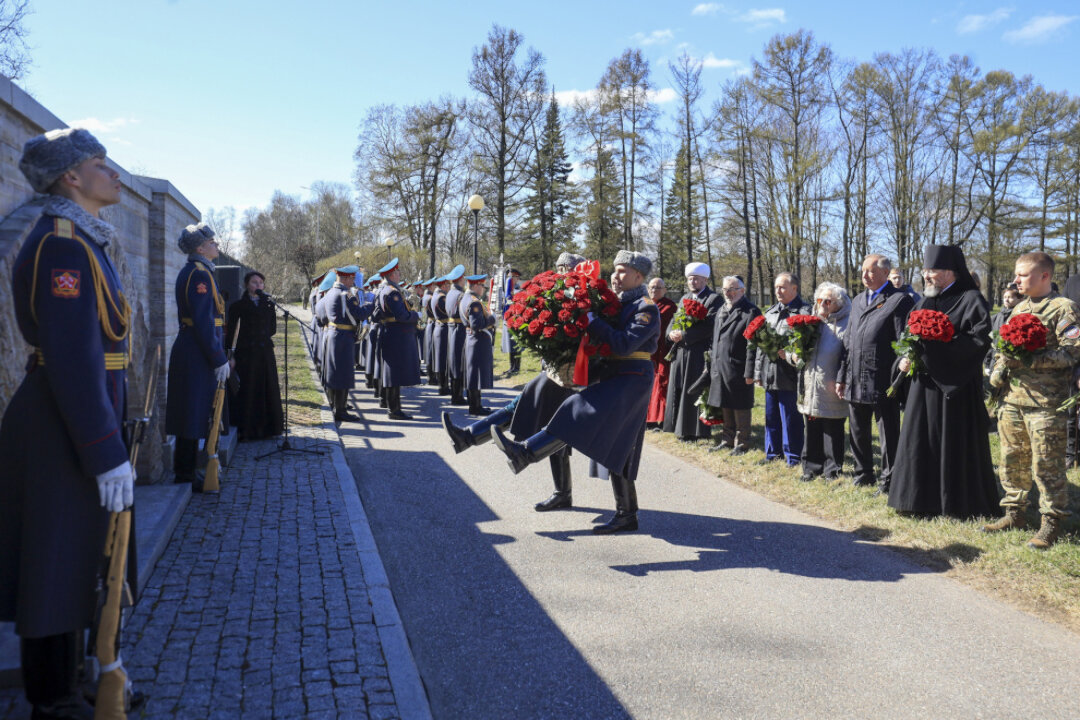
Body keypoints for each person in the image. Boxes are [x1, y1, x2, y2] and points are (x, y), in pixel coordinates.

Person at [0, 128, 135, 720]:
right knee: (53, 560)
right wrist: (104, 449)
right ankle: (51, 700)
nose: (115, 174)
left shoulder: (85, 241)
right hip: (61, 422)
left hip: (80, 415)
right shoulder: (63, 247)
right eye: (101, 164)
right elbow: (72, 357)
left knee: (81, 554)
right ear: (70, 177)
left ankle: (78, 679)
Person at [491, 250, 660, 534]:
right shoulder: (618, 303)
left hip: (632, 378)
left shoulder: (646, 308)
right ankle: (626, 514)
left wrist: (594, 321)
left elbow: (624, 345)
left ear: (639, 276)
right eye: (615, 270)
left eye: (622, 271)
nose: (615, 276)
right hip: (614, 375)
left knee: (578, 411)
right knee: (617, 444)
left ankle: (526, 453)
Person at [888, 245, 1002, 520]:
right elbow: (908, 336)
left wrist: (937, 350)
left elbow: (978, 341)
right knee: (919, 442)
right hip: (922, 387)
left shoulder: (971, 299)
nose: (926, 276)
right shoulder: (924, 301)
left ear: (952, 271)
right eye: (925, 270)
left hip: (955, 388)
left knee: (952, 444)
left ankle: (956, 504)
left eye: (933, 270)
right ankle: (917, 501)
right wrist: (905, 358)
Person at [984, 252, 1080, 548]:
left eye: (1023, 275)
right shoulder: (1019, 308)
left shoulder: (1063, 308)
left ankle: (1051, 522)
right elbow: (1004, 348)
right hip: (1013, 399)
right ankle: (1014, 513)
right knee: (1011, 460)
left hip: (1045, 403)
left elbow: (1072, 352)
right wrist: (998, 372)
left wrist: (1029, 359)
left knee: (1046, 465)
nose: (1016, 280)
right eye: (1017, 274)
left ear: (1044, 276)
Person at [836, 255, 914, 494]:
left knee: (888, 433)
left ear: (885, 272)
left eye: (871, 271)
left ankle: (889, 480)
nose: (865, 275)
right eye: (863, 271)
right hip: (855, 376)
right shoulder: (858, 300)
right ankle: (863, 473)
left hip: (881, 378)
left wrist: (899, 374)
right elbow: (848, 340)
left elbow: (904, 341)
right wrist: (841, 376)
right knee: (858, 430)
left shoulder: (899, 300)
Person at [165, 222, 231, 489]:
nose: (216, 245)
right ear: (201, 248)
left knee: (195, 409)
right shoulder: (199, 275)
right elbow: (203, 322)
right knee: (191, 410)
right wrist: (218, 358)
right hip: (196, 350)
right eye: (212, 243)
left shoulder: (200, 271)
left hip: (196, 348)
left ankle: (189, 469)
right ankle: (185, 472)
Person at [691, 275, 761, 455]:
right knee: (725, 404)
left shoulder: (751, 311)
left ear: (742, 291)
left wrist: (750, 372)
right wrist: (710, 363)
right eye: (724, 290)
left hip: (739, 367)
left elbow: (753, 346)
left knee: (740, 406)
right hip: (719, 366)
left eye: (732, 290)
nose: (728, 293)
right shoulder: (722, 309)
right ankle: (727, 439)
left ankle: (742, 443)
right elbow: (714, 339)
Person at [791, 282, 850, 482]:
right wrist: (792, 356)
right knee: (812, 428)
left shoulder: (846, 323)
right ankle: (810, 468)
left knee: (832, 429)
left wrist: (843, 379)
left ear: (839, 303)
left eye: (828, 301)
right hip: (810, 384)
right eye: (819, 300)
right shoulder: (810, 321)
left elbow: (848, 355)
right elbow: (795, 347)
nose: (823, 304)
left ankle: (832, 470)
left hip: (832, 384)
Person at [754, 273, 813, 466]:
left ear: (794, 288)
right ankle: (773, 453)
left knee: (790, 417)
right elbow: (760, 346)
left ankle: (793, 455)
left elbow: (808, 345)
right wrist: (758, 373)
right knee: (771, 416)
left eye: (782, 287)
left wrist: (790, 354)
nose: (778, 291)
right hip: (770, 372)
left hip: (790, 374)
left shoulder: (804, 312)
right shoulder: (770, 312)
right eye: (776, 287)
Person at [664, 262, 722, 440]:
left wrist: (684, 335)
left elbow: (710, 326)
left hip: (698, 352)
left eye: (696, 279)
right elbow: (674, 320)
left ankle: (694, 431)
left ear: (705, 280)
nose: (692, 282)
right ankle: (678, 428)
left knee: (693, 389)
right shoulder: (684, 298)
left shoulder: (713, 299)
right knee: (678, 388)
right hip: (680, 351)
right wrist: (671, 333)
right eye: (690, 279)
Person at [225, 271, 284, 441]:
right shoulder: (238, 306)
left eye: (261, 282)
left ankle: (269, 428)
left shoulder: (268, 304)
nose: (258, 285)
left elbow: (272, 329)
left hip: (265, 352)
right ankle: (248, 430)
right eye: (254, 282)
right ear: (246, 285)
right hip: (246, 354)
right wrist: (230, 355)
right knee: (249, 388)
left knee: (268, 387)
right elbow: (231, 333)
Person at [316, 265, 371, 424]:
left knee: (334, 373)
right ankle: (340, 410)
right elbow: (359, 314)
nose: (353, 281)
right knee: (343, 374)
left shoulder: (330, 292)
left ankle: (335, 404)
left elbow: (321, 315)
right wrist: (370, 304)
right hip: (343, 337)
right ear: (347, 278)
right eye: (352, 278)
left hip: (334, 334)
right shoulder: (345, 294)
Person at [372, 257, 422, 420]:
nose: (400, 274)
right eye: (398, 272)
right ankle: (394, 410)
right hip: (396, 334)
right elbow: (401, 315)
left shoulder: (382, 290)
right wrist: (416, 315)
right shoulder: (392, 292)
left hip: (389, 332)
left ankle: (391, 405)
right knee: (394, 374)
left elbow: (376, 314)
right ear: (392, 274)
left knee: (391, 372)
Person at [645, 277, 678, 429]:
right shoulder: (644, 304)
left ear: (665, 290)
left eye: (658, 287)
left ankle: (663, 419)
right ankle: (648, 420)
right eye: (652, 287)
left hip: (663, 352)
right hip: (646, 353)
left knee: (662, 386)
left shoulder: (670, 307)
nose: (654, 290)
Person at [461, 273, 496, 416]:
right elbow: (476, 324)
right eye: (482, 285)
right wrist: (492, 319)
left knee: (473, 374)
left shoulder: (466, 298)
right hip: (477, 340)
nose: (483, 288)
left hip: (472, 339)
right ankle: (475, 407)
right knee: (475, 375)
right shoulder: (474, 302)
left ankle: (475, 405)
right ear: (475, 286)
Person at [444, 265, 469, 407]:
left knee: (454, 361)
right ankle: (457, 396)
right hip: (459, 328)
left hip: (452, 328)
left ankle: (456, 394)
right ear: (460, 279)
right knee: (459, 362)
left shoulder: (450, 293)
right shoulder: (460, 295)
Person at [431, 272, 455, 396]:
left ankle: (443, 385)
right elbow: (449, 312)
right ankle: (443, 386)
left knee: (440, 358)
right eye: (448, 285)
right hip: (443, 328)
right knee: (443, 359)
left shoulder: (436, 295)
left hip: (439, 327)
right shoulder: (442, 297)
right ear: (444, 285)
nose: (449, 287)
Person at [501, 268, 523, 376]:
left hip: (516, 320)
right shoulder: (506, 290)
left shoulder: (518, 290)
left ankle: (516, 367)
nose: (510, 279)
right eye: (509, 277)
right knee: (510, 344)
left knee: (516, 344)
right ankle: (512, 366)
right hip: (509, 319)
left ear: (516, 278)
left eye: (512, 277)